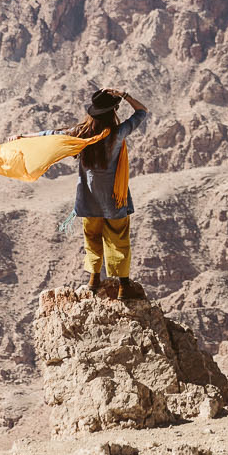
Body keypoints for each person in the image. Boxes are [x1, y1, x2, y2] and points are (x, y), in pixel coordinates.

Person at [65, 87, 148, 298]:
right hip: (115, 200)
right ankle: (123, 285)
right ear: (112, 113)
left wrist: (21, 137)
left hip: (89, 202)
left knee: (92, 238)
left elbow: (51, 136)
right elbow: (141, 112)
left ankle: (94, 278)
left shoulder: (81, 135)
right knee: (119, 239)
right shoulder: (118, 134)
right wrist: (125, 95)